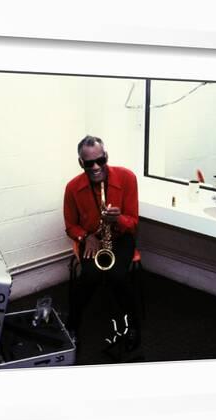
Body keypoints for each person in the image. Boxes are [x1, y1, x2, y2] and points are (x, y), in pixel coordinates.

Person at [63, 135, 140, 351]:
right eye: (89, 163)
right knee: (90, 276)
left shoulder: (127, 178)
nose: (96, 167)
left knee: (118, 275)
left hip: (120, 236)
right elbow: (70, 225)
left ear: (106, 156)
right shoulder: (72, 188)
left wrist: (118, 219)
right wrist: (85, 237)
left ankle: (132, 325)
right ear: (81, 163)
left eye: (101, 160)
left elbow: (133, 224)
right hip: (92, 239)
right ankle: (73, 325)